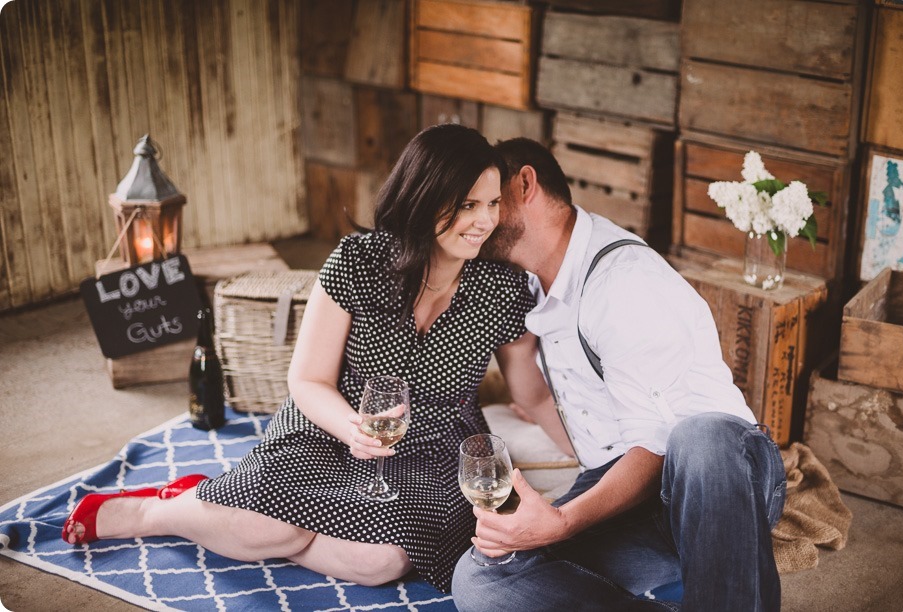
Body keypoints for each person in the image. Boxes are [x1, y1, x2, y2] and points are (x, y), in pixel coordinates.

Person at [61, 124, 559, 594]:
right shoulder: (358, 261)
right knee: (267, 530)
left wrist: (604, 469)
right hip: (327, 421)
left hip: (432, 446)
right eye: (467, 204)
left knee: (377, 562)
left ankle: (237, 516)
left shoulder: (503, 289)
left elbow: (531, 395)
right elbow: (308, 378)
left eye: (492, 203)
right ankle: (157, 512)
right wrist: (352, 428)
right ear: (423, 199)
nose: (485, 220)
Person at [452, 138, 787, 611]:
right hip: (628, 494)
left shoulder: (622, 281)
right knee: (481, 579)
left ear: (525, 184)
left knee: (700, 436)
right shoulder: (533, 281)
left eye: (488, 200)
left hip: (719, 481)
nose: (478, 218)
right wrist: (544, 520)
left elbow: (656, 449)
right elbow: (548, 402)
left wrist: (563, 521)